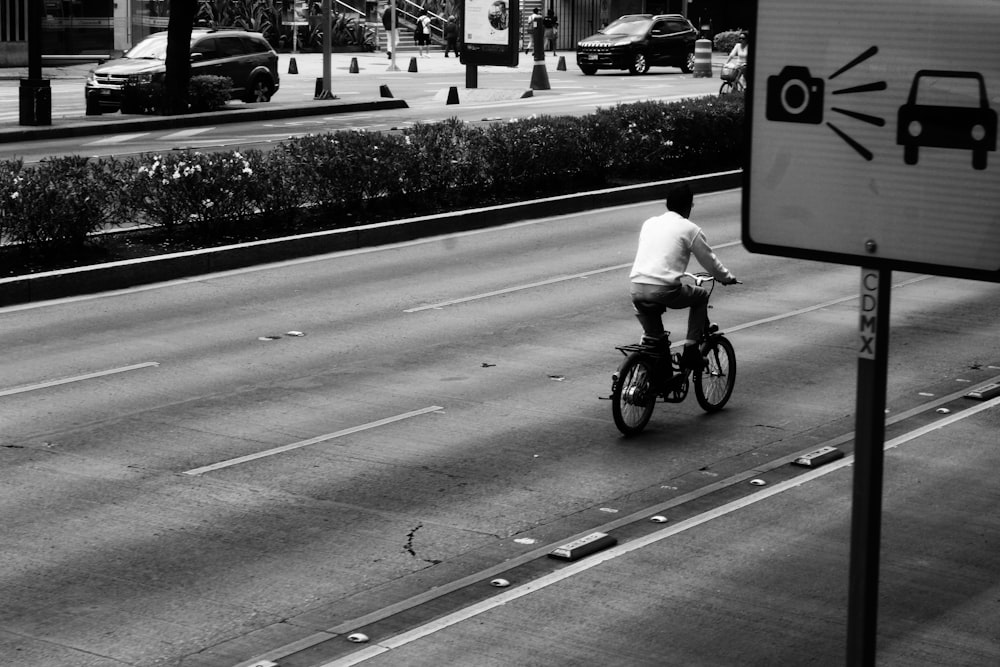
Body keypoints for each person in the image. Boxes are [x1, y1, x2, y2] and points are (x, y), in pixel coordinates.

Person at [628, 184, 738, 367]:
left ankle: (654, 379)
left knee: (655, 339)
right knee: (701, 296)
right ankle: (691, 350)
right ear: (689, 206)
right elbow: (710, 261)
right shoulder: (690, 229)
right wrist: (727, 278)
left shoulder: (649, 223)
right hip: (663, 290)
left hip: (637, 288)